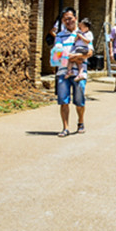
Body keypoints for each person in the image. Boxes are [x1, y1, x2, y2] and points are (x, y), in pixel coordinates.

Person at [50, 8, 87, 137]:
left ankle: (80, 121)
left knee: (79, 100)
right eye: (65, 19)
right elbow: (57, 54)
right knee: (63, 100)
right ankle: (65, 128)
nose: (68, 21)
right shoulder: (59, 35)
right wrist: (74, 57)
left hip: (79, 73)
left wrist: (71, 56)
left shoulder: (83, 33)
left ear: (75, 18)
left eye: (70, 18)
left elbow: (89, 52)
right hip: (62, 71)